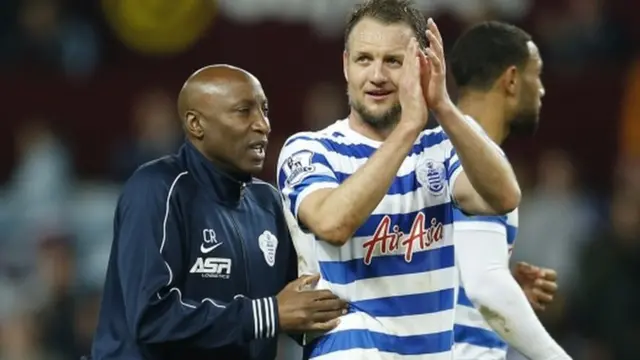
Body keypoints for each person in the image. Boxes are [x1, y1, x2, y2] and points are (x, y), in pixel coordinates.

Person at [276, 0, 522, 359]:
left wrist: (443, 108)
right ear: (346, 65)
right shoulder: (310, 149)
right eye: (364, 59)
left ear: (421, 66)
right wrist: (408, 127)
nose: (377, 75)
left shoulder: (443, 147)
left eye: (393, 61)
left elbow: (503, 197)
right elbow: (332, 223)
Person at [90, 64, 348, 360]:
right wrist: (268, 313)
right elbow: (151, 317)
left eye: (264, 110)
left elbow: (299, 308)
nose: (263, 125)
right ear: (196, 124)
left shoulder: (268, 203)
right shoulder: (158, 188)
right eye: (244, 111)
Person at [448, 22, 570, 359]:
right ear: (512, 79)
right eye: (538, 75)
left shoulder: (436, 151)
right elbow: (485, 287)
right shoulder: (478, 164)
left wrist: (509, 289)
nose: (542, 90)